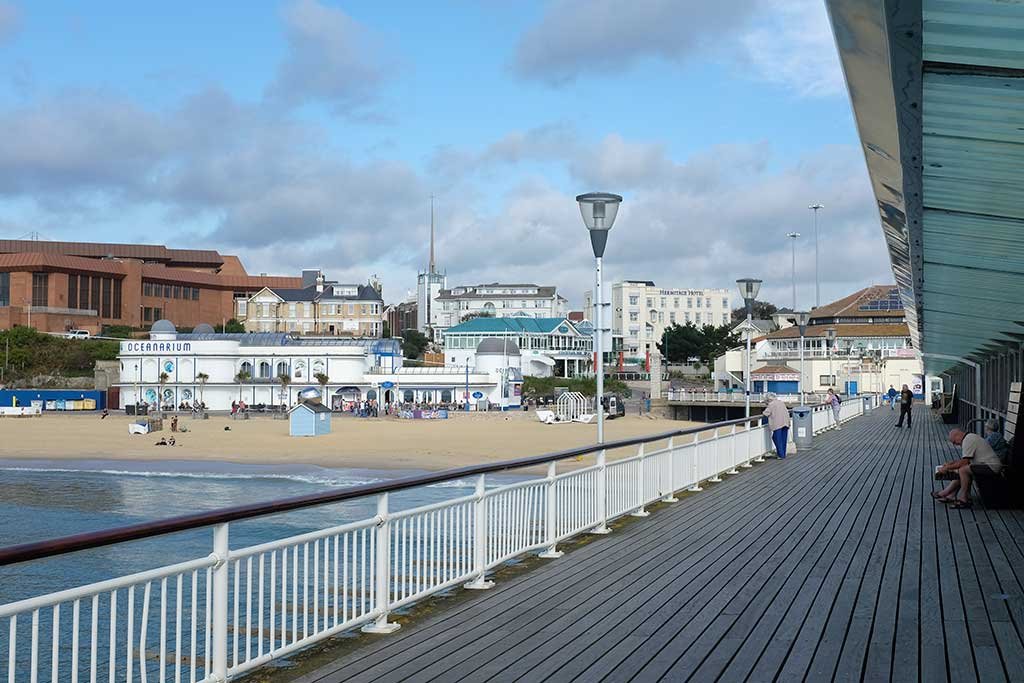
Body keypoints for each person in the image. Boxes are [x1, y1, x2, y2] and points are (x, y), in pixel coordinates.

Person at [934, 428, 1002, 508]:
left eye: (954, 441)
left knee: (963, 470)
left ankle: (963, 499)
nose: (955, 444)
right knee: (962, 469)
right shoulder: (968, 437)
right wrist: (951, 464)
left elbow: (964, 462)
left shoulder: (968, 441)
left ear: (957, 435)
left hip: (991, 467)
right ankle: (950, 495)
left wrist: (947, 468)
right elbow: (965, 460)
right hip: (987, 465)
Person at [762, 393, 791, 459]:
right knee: (783, 439)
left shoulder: (771, 404)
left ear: (768, 399)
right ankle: (783, 453)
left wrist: (764, 411)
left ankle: (781, 455)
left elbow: (766, 413)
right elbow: (786, 412)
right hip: (785, 422)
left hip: (777, 424)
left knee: (776, 438)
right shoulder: (781, 402)